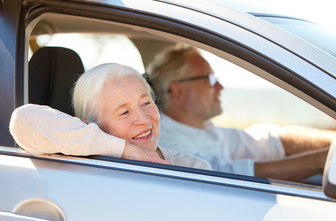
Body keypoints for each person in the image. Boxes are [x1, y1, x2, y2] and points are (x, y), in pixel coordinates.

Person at [146, 43, 336, 181]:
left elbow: (270, 140)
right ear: (179, 90)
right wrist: (327, 158)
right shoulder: (161, 141)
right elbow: (221, 175)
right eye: (210, 79)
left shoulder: (206, 130)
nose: (220, 87)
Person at [9, 63, 211, 170]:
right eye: (124, 112)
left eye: (146, 103)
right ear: (90, 125)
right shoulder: (74, 162)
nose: (143, 119)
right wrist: (127, 152)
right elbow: (23, 121)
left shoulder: (192, 168)